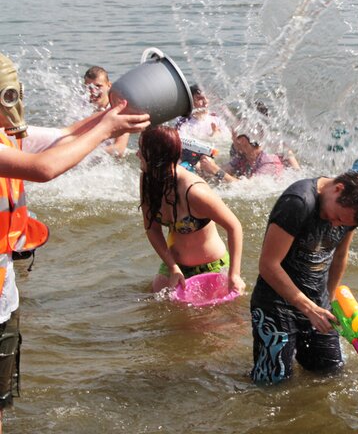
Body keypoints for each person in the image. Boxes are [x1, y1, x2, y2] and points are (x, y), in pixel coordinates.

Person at [0, 52, 149, 429]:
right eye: (9, 94)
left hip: (4, 294)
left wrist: (113, 116)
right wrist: (106, 128)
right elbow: (44, 168)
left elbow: (68, 136)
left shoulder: (10, 135)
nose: (15, 101)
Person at [250, 171, 358, 384]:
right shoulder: (298, 202)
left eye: (343, 224)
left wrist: (328, 300)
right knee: (273, 385)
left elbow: (340, 255)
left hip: (317, 305)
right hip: (276, 305)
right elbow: (268, 265)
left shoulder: (350, 214)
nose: (335, 225)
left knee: (330, 376)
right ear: (337, 188)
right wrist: (309, 308)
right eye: (338, 217)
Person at [138, 126, 245, 295]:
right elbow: (151, 228)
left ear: (156, 157)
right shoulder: (148, 179)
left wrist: (234, 274)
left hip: (211, 266)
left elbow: (234, 226)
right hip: (174, 265)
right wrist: (173, 267)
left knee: (212, 321)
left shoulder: (195, 192)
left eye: (141, 150)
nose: (137, 155)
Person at [198, 128, 284, 183]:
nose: (232, 140)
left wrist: (216, 170)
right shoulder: (242, 155)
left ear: (242, 141)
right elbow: (223, 171)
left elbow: (249, 189)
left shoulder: (269, 162)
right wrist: (203, 168)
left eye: (233, 138)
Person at [83, 66, 129, 156]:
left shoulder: (120, 110)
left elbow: (119, 148)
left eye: (98, 86)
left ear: (109, 86)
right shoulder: (80, 107)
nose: (93, 91)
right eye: (89, 87)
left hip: (111, 159)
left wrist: (87, 152)